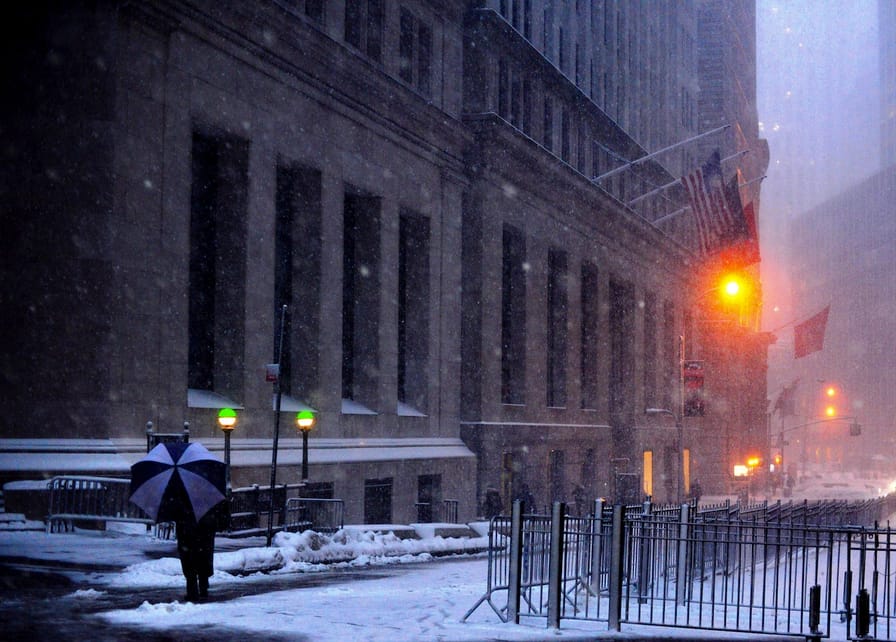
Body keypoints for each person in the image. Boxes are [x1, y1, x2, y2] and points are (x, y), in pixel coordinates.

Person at [176, 500, 228, 602]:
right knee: (202, 565)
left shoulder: (182, 503)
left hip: (189, 540)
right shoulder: (206, 502)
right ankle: (202, 590)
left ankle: (193, 592)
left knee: (191, 567)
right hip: (202, 541)